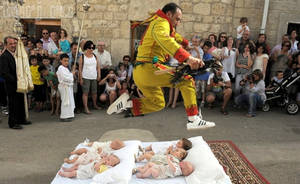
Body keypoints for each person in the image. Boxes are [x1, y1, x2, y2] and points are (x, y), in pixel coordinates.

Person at [107, 3, 215, 130]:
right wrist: (188, 57)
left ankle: (128, 104)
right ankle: (193, 119)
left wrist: (186, 43)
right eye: (177, 19)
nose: (178, 23)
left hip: (141, 73)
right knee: (186, 80)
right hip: (149, 69)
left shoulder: (162, 23)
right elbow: (165, 39)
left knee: (158, 103)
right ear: (168, 14)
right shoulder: (161, 22)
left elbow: (173, 36)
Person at [0, 36, 31, 129]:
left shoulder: (17, 54)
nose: (13, 45)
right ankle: (13, 123)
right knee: (13, 103)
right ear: (6, 45)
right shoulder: (4, 56)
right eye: (11, 44)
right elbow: (4, 72)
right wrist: (15, 79)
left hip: (20, 82)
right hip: (11, 84)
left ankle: (21, 119)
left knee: (21, 101)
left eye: (14, 43)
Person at [79, 40, 101, 114]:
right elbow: (80, 69)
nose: (91, 49)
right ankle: (86, 108)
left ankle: (95, 105)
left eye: (93, 47)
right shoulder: (82, 56)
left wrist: (99, 75)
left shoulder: (95, 56)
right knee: (85, 93)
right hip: (85, 77)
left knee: (94, 92)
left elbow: (98, 67)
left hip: (94, 77)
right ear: (86, 48)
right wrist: (80, 78)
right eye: (90, 47)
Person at [56, 53, 75, 122]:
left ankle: (69, 115)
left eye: (67, 61)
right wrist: (71, 74)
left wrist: (71, 74)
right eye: (65, 61)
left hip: (68, 87)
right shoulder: (61, 68)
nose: (66, 62)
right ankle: (64, 116)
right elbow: (65, 78)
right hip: (64, 87)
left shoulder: (65, 68)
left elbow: (68, 77)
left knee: (69, 100)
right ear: (61, 60)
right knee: (65, 101)